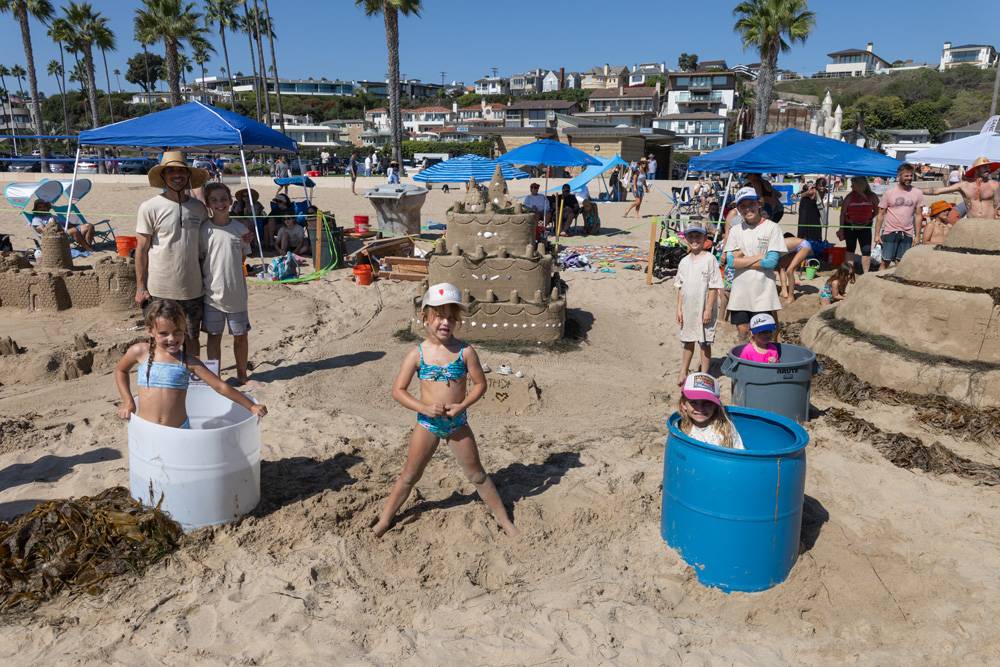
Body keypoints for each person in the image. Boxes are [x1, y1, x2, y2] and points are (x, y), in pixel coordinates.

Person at [373, 283, 518, 538]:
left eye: (451, 318)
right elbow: (398, 391)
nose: (445, 322)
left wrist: (462, 405)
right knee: (410, 475)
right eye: (439, 316)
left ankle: (505, 521)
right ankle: (385, 520)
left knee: (477, 475)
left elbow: (480, 384)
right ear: (425, 317)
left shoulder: (465, 352)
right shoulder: (417, 354)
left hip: (457, 423)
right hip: (427, 424)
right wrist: (424, 408)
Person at [116, 299, 266, 428]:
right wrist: (128, 402)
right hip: (145, 428)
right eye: (163, 333)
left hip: (179, 431)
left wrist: (251, 406)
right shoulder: (140, 351)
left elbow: (220, 386)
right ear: (150, 331)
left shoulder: (188, 362)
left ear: (185, 330)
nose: (172, 338)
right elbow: (121, 371)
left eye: (177, 332)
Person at [135, 151, 211, 357]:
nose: (177, 175)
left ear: (188, 175)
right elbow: (141, 249)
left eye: (181, 171)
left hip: (193, 289)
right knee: (162, 340)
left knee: (192, 338)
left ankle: (192, 376)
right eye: (171, 171)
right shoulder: (149, 207)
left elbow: (207, 247)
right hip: (160, 290)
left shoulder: (199, 209)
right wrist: (140, 287)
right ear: (163, 176)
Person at [200, 183, 253, 385]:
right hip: (211, 295)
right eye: (214, 200)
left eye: (223, 199)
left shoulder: (240, 229)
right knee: (214, 337)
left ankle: (242, 375)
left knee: (241, 336)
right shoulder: (203, 230)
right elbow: (200, 258)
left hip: (237, 295)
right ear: (208, 204)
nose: (220, 203)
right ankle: (216, 378)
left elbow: (242, 258)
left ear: (230, 201)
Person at [723, 187, 786, 341]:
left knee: (763, 335)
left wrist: (742, 260)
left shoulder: (772, 228)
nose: (747, 209)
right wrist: (759, 257)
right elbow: (730, 262)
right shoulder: (736, 230)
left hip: (763, 291)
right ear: (738, 209)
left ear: (758, 204)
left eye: (751, 204)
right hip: (740, 291)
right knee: (743, 332)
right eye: (743, 206)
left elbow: (771, 262)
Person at [675, 224, 723, 386]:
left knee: (704, 342)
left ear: (704, 239)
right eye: (691, 236)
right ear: (686, 239)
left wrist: (708, 309)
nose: (694, 240)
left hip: (704, 308)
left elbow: (713, 286)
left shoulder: (710, 259)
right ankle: (683, 371)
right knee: (688, 340)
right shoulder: (684, 261)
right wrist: (679, 309)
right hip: (688, 308)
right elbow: (680, 287)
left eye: (698, 236)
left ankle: (704, 374)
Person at [873, 163, 924, 270]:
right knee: (885, 261)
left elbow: (918, 215)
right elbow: (880, 214)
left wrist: (917, 236)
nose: (909, 178)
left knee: (901, 262)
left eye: (911, 176)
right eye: (906, 176)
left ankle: (895, 280)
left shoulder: (918, 193)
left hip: (907, 233)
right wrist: (877, 234)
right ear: (899, 176)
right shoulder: (889, 193)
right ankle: (879, 280)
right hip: (890, 232)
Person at [677, 372, 744, 449]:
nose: (700, 408)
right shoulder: (680, 428)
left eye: (707, 402)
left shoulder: (726, 428)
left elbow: (739, 451)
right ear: (683, 404)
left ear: (715, 405)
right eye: (694, 402)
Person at [928, 156, 999, 220]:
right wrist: (921, 191)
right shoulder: (964, 185)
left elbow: (998, 204)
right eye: (985, 167)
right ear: (976, 169)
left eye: (988, 167)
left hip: (989, 222)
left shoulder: (994, 184)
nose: (988, 169)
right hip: (972, 223)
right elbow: (936, 191)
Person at [839, 176, 879, 273]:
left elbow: (878, 210)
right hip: (850, 226)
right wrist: (841, 230)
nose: (851, 186)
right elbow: (842, 214)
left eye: (853, 185)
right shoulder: (849, 196)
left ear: (860, 185)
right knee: (850, 249)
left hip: (865, 226)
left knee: (866, 250)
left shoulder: (872, 196)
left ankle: (866, 274)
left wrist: (869, 219)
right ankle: (849, 272)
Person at [29, 200, 96, 251]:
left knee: (89, 226)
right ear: (36, 209)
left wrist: (79, 226)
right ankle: (88, 248)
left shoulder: (51, 216)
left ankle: (88, 246)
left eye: (44, 206)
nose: (42, 208)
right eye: (40, 207)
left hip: (66, 232)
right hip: (55, 236)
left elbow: (67, 224)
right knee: (74, 231)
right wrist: (53, 225)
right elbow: (44, 231)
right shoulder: (36, 219)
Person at [777, 234, 813, 301]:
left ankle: (791, 297)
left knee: (789, 270)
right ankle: (784, 292)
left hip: (804, 245)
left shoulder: (773, 246)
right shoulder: (775, 245)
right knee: (781, 266)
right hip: (795, 248)